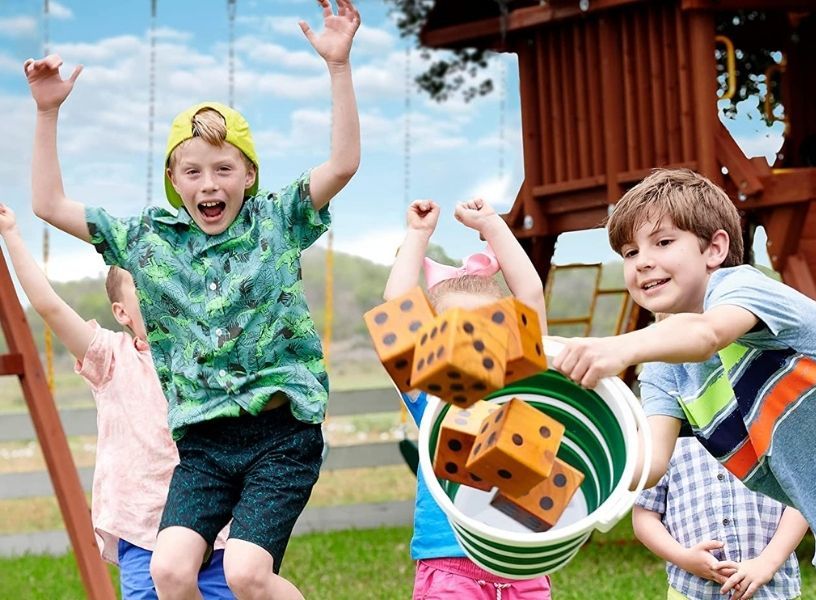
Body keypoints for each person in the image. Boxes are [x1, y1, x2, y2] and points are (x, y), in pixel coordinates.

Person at [23, 1, 360, 597]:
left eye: (225, 169)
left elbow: (343, 164)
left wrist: (338, 68)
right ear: (174, 182)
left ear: (249, 174)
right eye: (195, 172)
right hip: (202, 443)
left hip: (281, 434)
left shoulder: (277, 221)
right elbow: (49, 205)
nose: (211, 184)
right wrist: (47, 113)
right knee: (168, 570)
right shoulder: (147, 241)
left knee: (247, 572)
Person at [550, 168, 816, 598]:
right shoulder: (663, 366)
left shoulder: (744, 288)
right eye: (629, 251)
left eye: (662, 242)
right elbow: (651, 463)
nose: (642, 261)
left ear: (714, 248)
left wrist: (615, 348)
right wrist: (565, 460)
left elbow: (705, 335)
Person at [0, 204, 233, 599]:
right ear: (122, 311)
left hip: (215, 532)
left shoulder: (208, 356)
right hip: (143, 531)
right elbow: (49, 306)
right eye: (145, 285)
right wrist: (11, 234)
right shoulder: (111, 358)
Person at [383, 198, 552, 599]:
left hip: (524, 565)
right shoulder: (430, 394)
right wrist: (418, 235)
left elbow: (530, 293)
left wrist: (493, 225)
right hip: (449, 565)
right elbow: (397, 305)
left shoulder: (526, 383)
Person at [633, 436, 805, 600]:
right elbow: (645, 516)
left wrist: (767, 563)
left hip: (772, 589)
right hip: (692, 590)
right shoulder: (665, 436)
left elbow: (802, 502)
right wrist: (684, 557)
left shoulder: (769, 423)